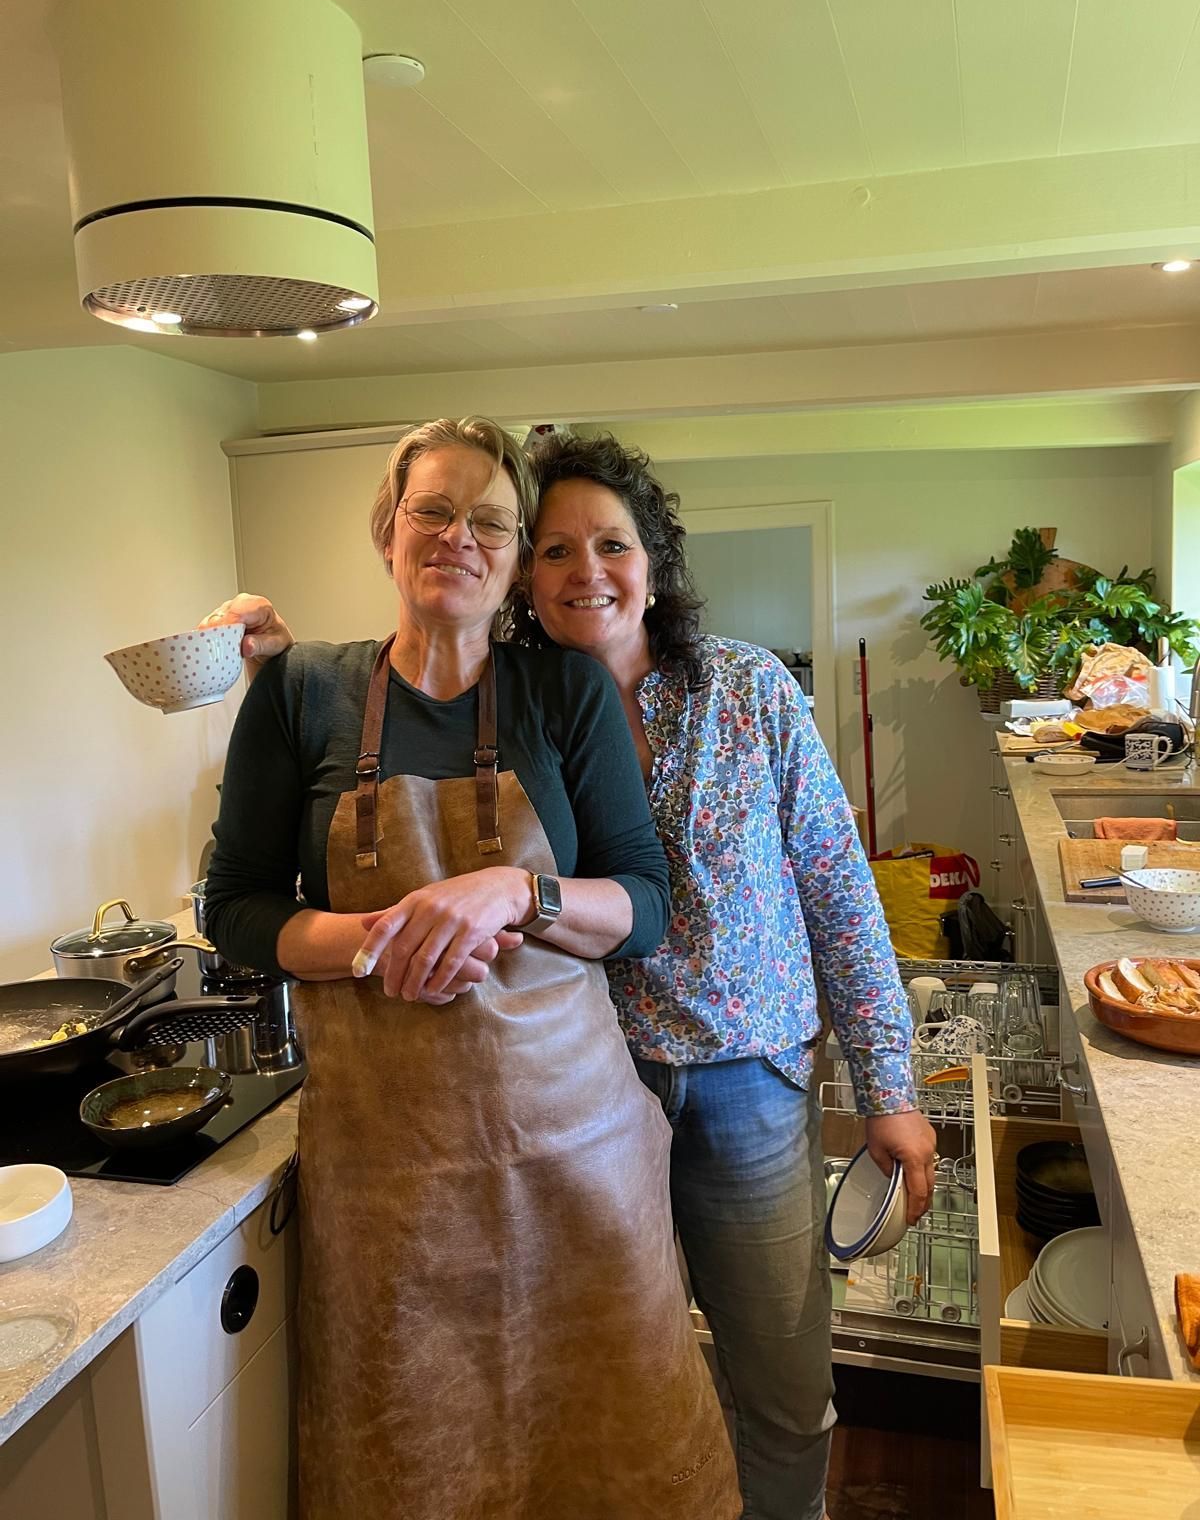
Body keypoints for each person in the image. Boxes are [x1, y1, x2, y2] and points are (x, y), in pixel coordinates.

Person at [209, 430, 935, 1520]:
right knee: (610, 1390)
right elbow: (296, 833)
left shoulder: (730, 690)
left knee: (769, 1385)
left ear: (655, 560)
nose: (583, 569)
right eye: (552, 546)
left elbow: (832, 891)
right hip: (574, 1095)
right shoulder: (445, 689)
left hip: (739, 1082)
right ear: (519, 578)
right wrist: (292, 682)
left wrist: (890, 1087)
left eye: (610, 543)